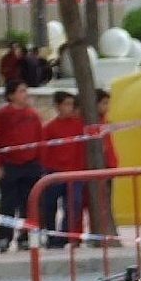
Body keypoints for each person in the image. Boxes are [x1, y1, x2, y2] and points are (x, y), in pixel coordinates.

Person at [0, 79, 43, 252]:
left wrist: (40, 163)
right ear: (11, 95)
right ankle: (4, 237)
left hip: (30, 165)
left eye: (25, 90)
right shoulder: (2, 114)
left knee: (29, 203)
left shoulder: (33, 115)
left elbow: (40, 140)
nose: (24, 94)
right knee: (7, 203)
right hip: (10, 164)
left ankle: (25, 237)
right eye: (21, 91)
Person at [38, 90, 85, 248]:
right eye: (66, 104)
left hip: (74, 172)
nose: (70, 108)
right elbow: (44, 151)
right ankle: (51, 236)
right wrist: (45, 170)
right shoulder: (50, 127)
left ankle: (65, 235)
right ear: (58, 106)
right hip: (54, 172)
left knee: (74, 205)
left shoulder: (79, 125)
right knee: (49, 206)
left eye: (71, 104)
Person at [82, 89, 118, 238]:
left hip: (108, 166)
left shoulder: (105, 122)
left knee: (106, 200)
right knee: (95, 201)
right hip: (99, 167)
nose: (107, 107)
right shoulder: (92, 125)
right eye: (104, 103)